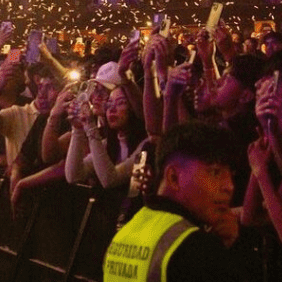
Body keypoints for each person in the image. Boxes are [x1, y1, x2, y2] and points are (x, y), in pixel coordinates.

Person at [102, 121, 249, 282]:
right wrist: (224, 253)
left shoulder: (123, 235)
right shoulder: (195, 247)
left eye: (231, 175)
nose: (229, 186)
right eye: (215, 172)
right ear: (173, 177)